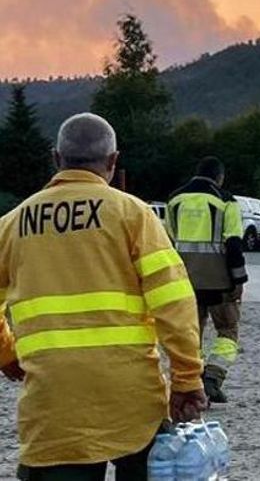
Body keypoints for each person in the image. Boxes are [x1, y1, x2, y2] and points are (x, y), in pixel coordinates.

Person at [0, 113, 206, 481]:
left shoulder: (12, 224)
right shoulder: (132, 214)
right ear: (113, 161)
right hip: (133, 401)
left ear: (55, 158)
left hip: (52, 405)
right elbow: (174, 303)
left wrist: (6, 352)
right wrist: (188, 379)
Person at [166, 156, 247, 404]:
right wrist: (239, 279)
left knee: (193, 333)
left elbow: (168, 243)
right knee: (227, 330)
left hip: (185, 279)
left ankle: (193, 381)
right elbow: (233, 244)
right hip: (219, 281)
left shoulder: (174, 200)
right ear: (219, 177)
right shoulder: (226, 201)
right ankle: (213, 376)